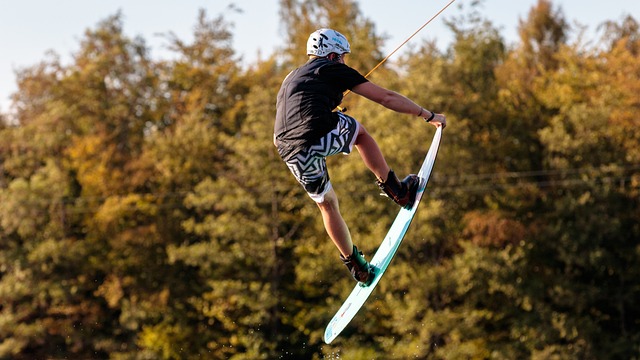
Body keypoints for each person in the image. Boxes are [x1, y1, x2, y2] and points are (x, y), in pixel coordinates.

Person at [274, 28, 446, 286]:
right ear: (332, 55)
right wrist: (428, 115)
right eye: (343, 56)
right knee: (361, 134)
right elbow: (386, 98)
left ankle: (357, 267)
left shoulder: (291, 76)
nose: (345, 62)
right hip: (316, 129)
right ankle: (398, 191)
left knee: (327, 203)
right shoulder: (331, 67)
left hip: (288, 149)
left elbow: (297, 108)